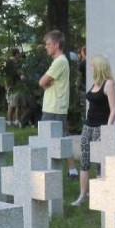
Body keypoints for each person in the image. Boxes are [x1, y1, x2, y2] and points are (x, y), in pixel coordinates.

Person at [71, 55, 115, 206]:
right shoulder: (94, 83)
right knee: (84, 160)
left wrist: (107, 130)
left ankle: (100, 196)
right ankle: (82, 195)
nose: (90, 68)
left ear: (99, 66)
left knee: (98, 161)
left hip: (100, 127)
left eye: (92, 66)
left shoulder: (108, 84)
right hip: (88, 126)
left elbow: (113, 110)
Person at [39, 29, 77, 179]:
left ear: (56, 44)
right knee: (61, 137)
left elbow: (42, 81)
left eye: (48, 44)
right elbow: (45, 82)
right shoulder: (59, 61)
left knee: (53, 138)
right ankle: (72, 169)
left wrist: (45, 83)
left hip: (54, 106)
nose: (46, 47)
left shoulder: (60, 61)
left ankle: (58, 170)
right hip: (54, 106)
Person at [5, 47, 24, 127]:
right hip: (12, 85)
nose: (19, 55)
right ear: (16, 54)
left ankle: (16, 120)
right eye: (18, 53)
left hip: (16, 85)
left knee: (17, 104)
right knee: (12, 104)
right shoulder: (10, 62)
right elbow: (7, 75)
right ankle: (10, 120)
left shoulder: (16, 62)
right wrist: (7, 85)